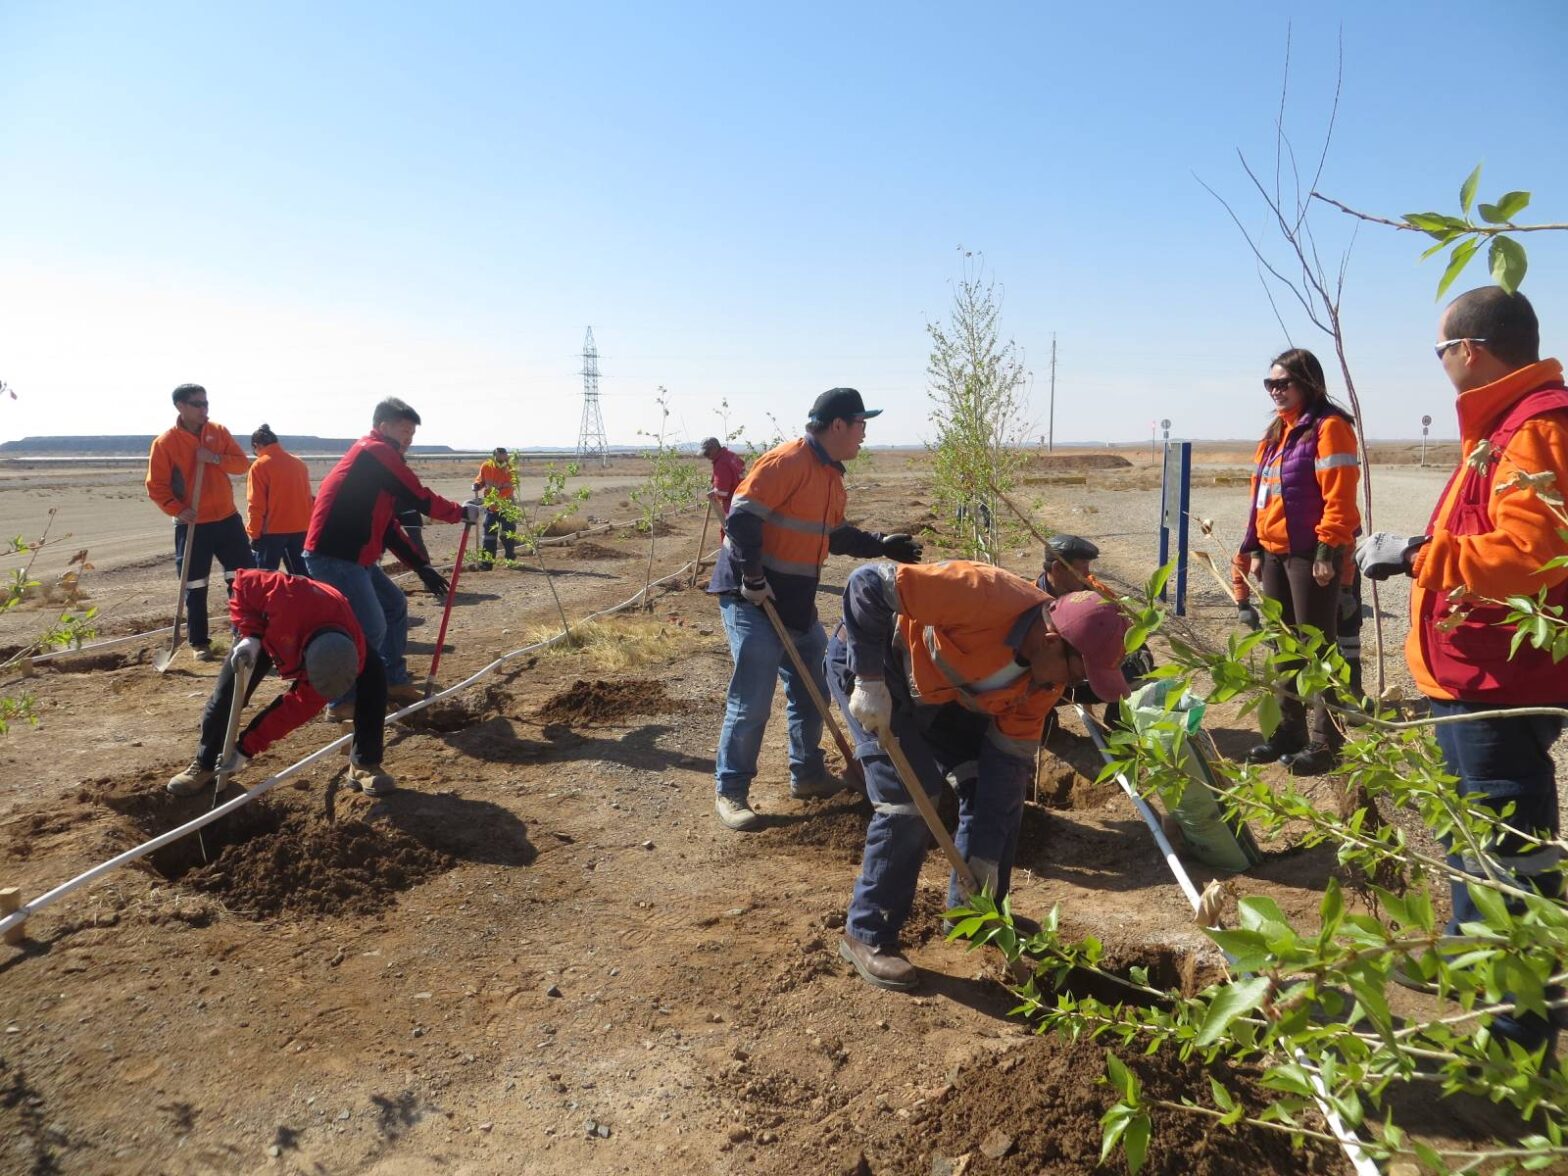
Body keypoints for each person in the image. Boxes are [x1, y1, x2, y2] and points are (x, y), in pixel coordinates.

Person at [1358, 285, 1568, 1055]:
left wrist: (1418, 556)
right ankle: (1468, 957)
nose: (1441, 364)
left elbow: (1528, 557)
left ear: (1470, 351)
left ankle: (1520, 1032)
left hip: (1497, 680)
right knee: (1473, 832)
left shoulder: (1536, 429)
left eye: (1440, 350)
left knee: (1507, 845)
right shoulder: (1507, 425)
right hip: (1466, 673)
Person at [828, 561, 1132, 989]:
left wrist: (986, 859)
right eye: (1078, 674)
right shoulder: (981, 594)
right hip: (880, 666)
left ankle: (973, 914)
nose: (1075, 688)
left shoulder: (1042, 685)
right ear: (1050, 640)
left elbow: (1005, 771)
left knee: (989, 791)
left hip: (943, 696)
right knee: (910, 802)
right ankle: (867, 933)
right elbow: (866, 583)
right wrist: (868, 678)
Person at [707, 387, 923, 831]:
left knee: (813, 690)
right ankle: (731, 790)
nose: (864, 433)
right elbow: (743, 518)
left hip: (796, 600)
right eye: (861, 424)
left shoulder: (830, 477)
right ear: (838, 424)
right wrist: (752, 578)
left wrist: (882, 543)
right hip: (754, 597)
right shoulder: (787, 461)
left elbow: (834, 536)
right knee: (752, 701)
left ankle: (806, 774)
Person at [304, 398, 480, 710]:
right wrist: (459, 512)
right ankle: (343, 700)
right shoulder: (376, 452)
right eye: (404, 430)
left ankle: (393, 680)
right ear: (383, 426)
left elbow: (387, 527)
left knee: (395, 606)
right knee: (371, 626)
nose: (409, 438)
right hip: (335, 555)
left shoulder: (379, 463)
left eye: (413, 432)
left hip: (356, 558)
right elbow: (419, 496)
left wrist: (421, 566)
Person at [166, 569, 396, 797]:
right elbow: (242, 583)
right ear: (304, 658)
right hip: (268, 627)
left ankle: (365, 764)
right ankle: (204, 764)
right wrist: (250, 635)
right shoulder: (282, 592)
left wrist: (244, 750)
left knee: (374, 679)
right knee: (227, 694)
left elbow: (292, 710)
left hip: (328, 635)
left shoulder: (351, 656)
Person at [1238, 349, 1361, 776]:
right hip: (1274, 554)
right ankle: (1290, 731)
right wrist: (1253, 548)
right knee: (1284, 648)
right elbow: (1260, 497)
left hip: (1311, 556)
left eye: (1283, 383)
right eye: (1269, 384)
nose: (1275, 391)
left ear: (1307, 383)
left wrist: (1329, 550)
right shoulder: (1276, 434)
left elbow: (1340, 496)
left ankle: (1327, 744)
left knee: (1317, 648)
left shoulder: (1330, 428)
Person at [145, 383, 254, 662]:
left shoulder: (217, 432)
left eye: (206, 403)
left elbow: (241, 465)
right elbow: (156, 486)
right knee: (194, 584)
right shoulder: (165, 443)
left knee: (242, 578)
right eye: (198, 404)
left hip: (227, 519)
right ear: (181, 406)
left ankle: (244, 633)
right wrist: (178, 509)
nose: (205, 409)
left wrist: (215, 458)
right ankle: (199, 643)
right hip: (192, 524)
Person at [246, 424, 313, 574]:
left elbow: (256, 505)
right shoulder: (298, 463)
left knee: (265, 578)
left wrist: (254, 534)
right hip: (301, 528)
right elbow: (308, 499)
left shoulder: (259, 466)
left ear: (256, 445)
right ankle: (302, 598)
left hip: (272, 532)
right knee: (302, 577)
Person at [472, 446, 517, 566]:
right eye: (500, 458)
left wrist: (497, 497)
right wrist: (477, 485)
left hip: (507, 506)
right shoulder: (486, 466)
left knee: (508, 533)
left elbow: (510, 487)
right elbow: (481, 480)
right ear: (494, 457)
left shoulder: (510, 469)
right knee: (489, 535)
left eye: (504, 457)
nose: (502, 461)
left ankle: (510, 559)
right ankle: (487, 563)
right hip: (491, 506)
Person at [699, 437, 745, 537]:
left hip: (732, 505)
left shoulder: (721, 463)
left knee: (729, 536)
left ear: (714, 448)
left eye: (707, 453)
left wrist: (713, 492)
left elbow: (722, 492)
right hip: (743, 500)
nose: (706, 457)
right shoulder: (731, 456)